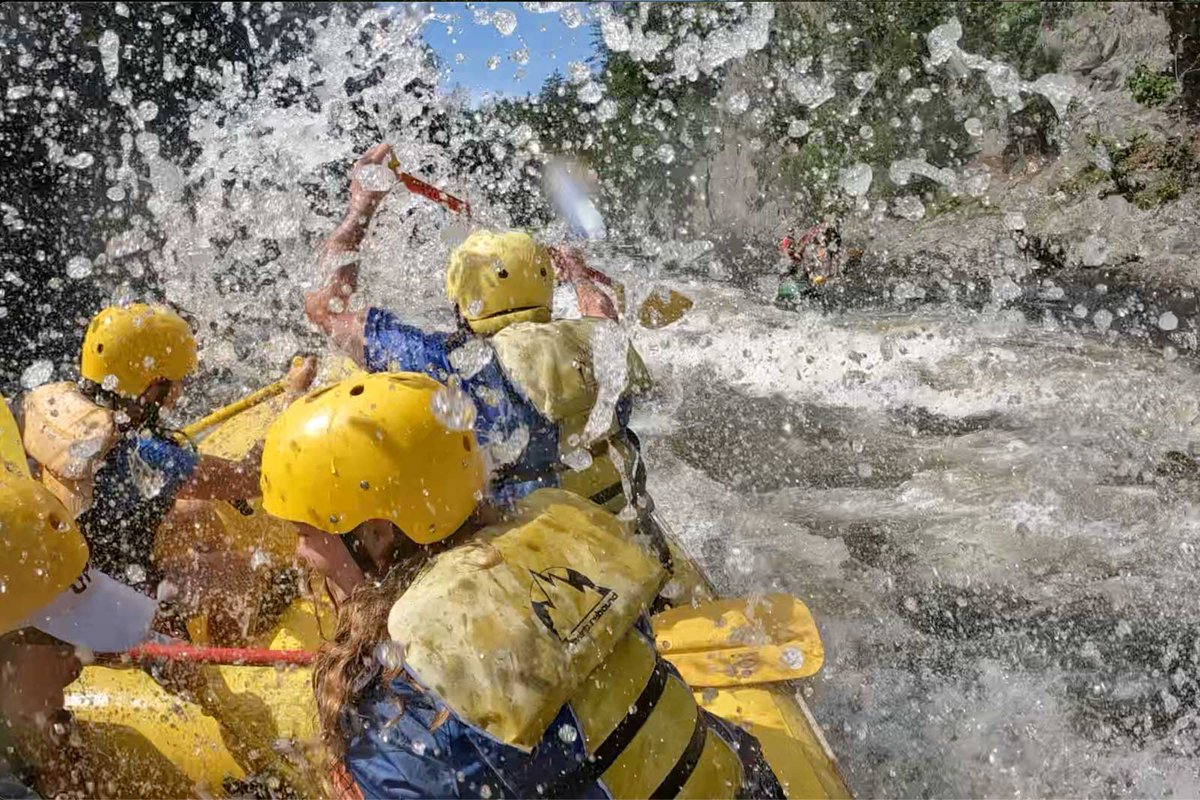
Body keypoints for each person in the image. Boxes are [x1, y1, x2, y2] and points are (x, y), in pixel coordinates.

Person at [258, 373, 785, 798]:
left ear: (376, 534)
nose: (302, 553)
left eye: (309, 534)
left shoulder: (401, 700)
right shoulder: (552, 539)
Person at [302, 144, 669, 575]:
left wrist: (359, 209)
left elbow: (323, 307)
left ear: (462, 302)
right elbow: (600, 309)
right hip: (634, 553)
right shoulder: (602, 341)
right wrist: (578, 272)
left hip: (541, 573)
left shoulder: (452, 363)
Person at [20, 303, 315, 614]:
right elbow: (251, 477)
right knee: (238, 572)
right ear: (151, 388)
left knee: (198, 513)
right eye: (177, 381)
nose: (182, 388)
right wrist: (292, 398)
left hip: (70, 568)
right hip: (101, 597)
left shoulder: (60, 405)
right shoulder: (144, 455)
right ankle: (208, 656)